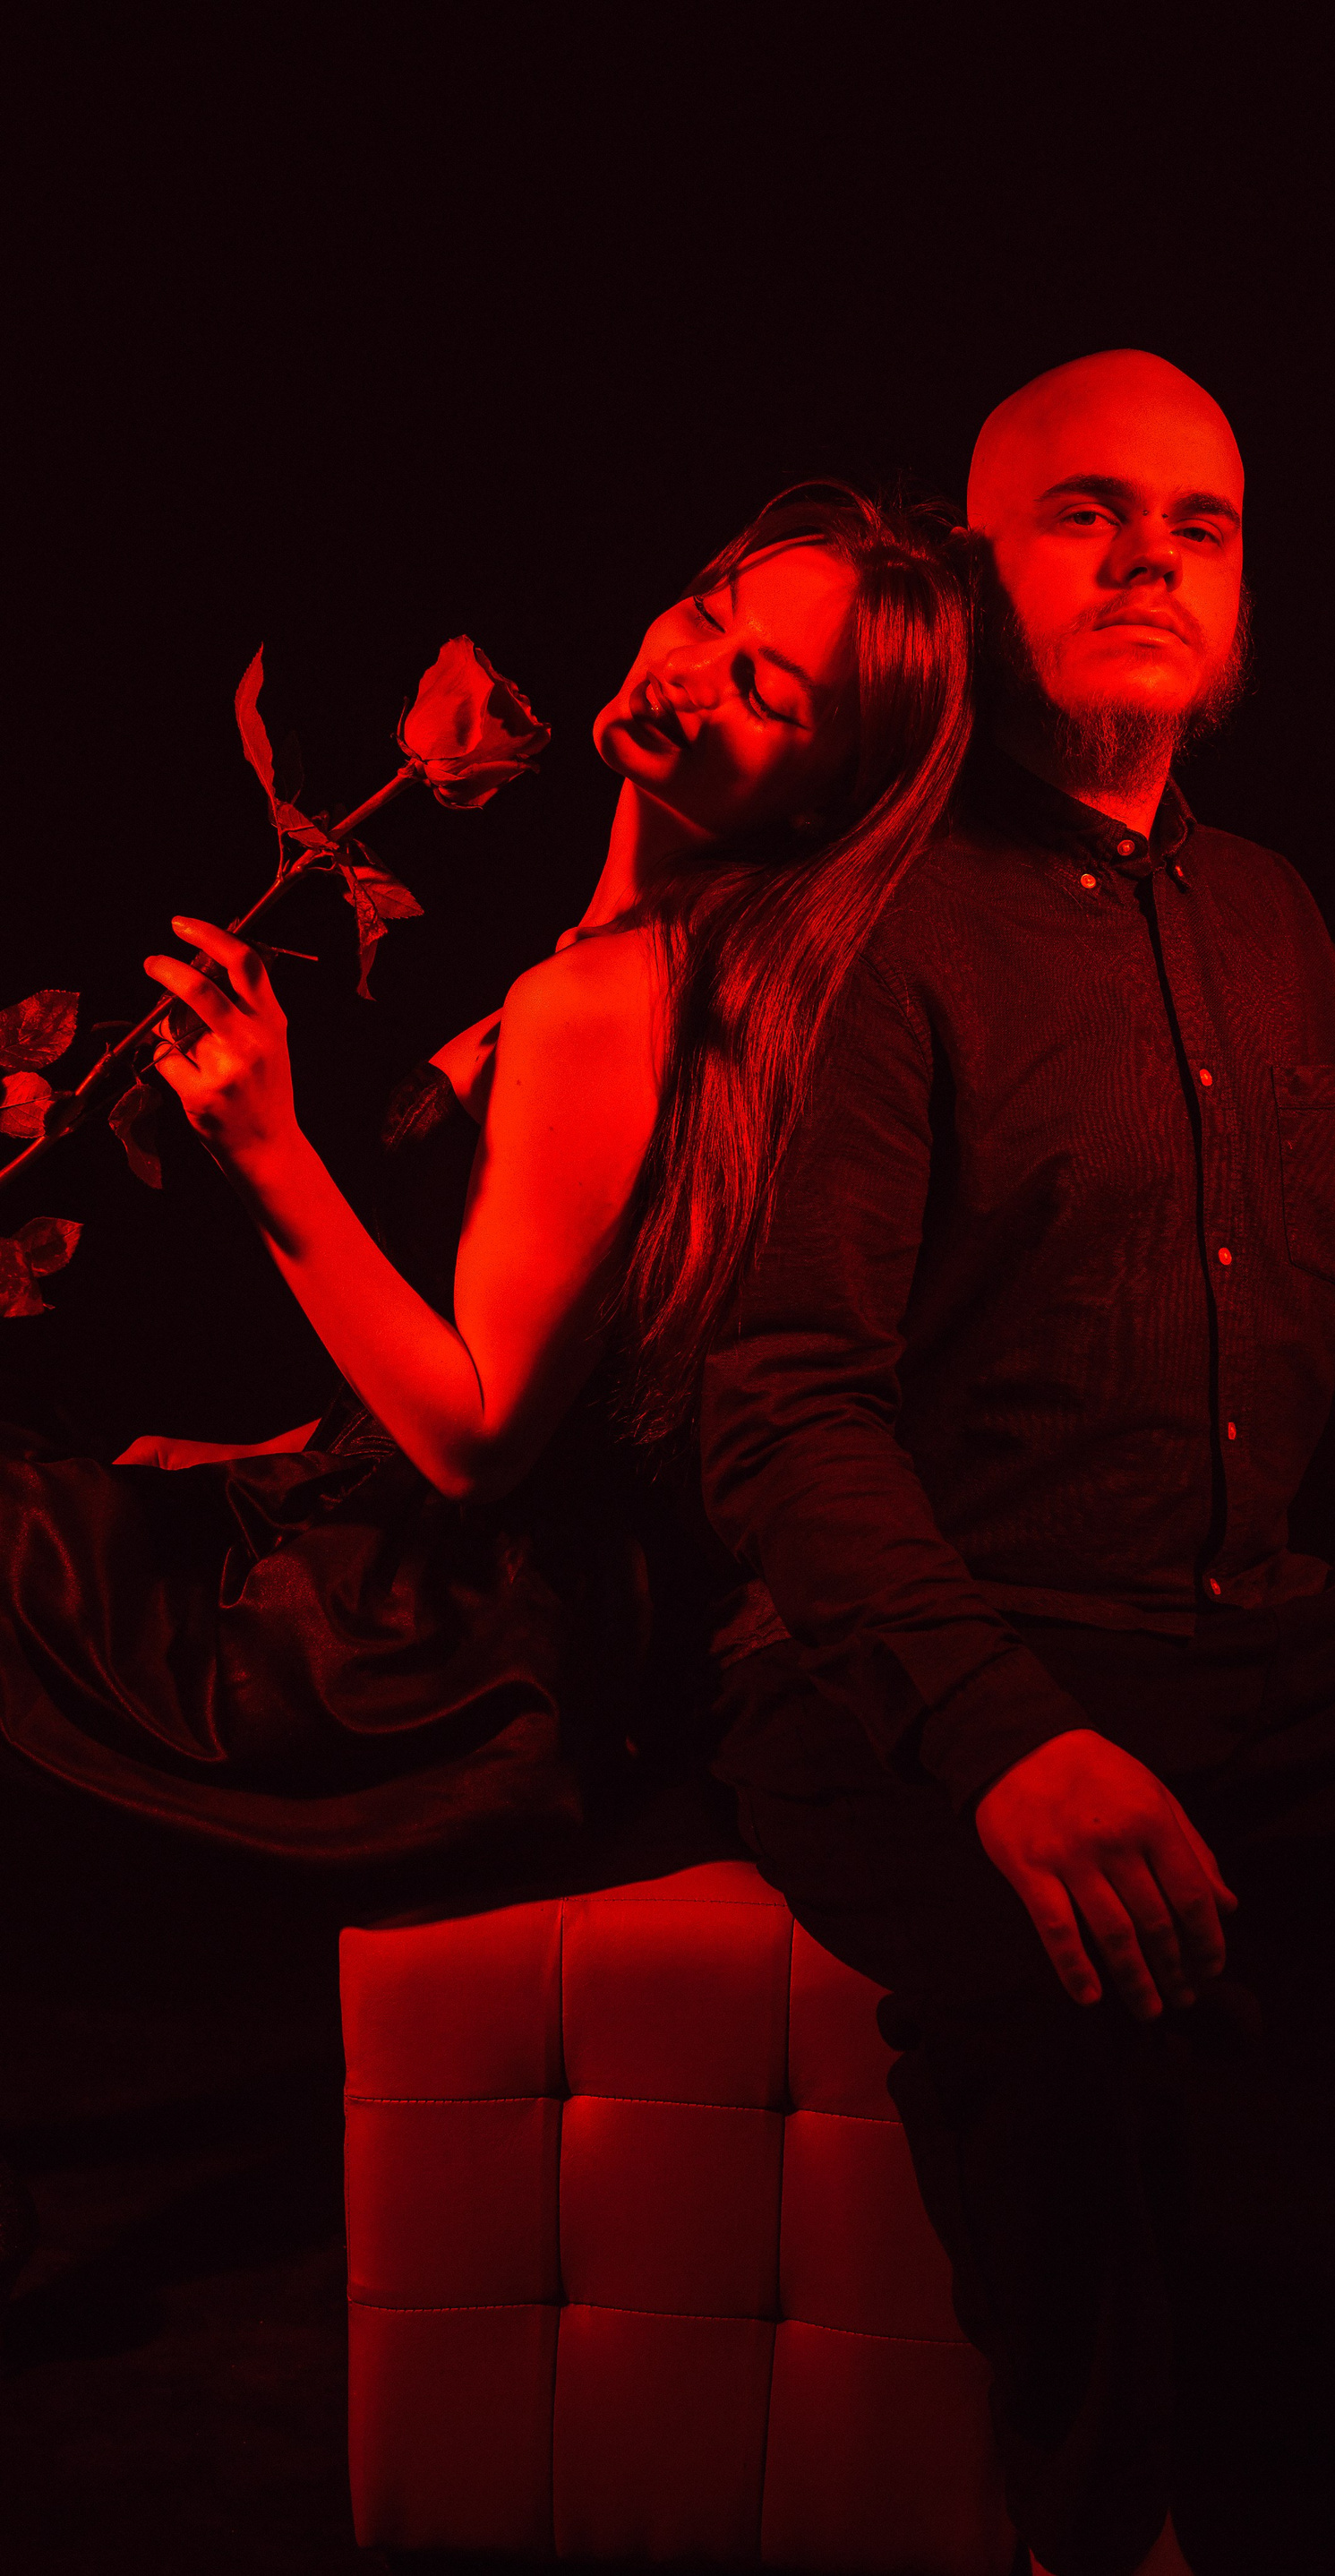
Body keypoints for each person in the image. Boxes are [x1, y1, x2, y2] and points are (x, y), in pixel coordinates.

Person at [697, 356, 1335, 2576]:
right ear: (975, 577)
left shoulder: (1272, 913)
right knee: (1050, 2017)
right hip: (916, 1655)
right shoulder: (870, 921)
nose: (1153, 556)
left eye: (1203, 523)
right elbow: (780, 1401)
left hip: (1255, 1633)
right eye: (1089, 514)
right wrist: (1000, 1735)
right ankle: (1109, 2535)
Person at [0, 483, 972, 2289]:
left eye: (770, 690)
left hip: (449, 1656)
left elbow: (481, 1436)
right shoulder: (643, 964)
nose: (690, 670)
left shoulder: (625, 1001)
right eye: (710, 610)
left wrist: (267, 1147)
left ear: (828, 793)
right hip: (463, 1585)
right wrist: (248, 1457)